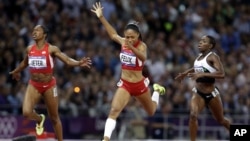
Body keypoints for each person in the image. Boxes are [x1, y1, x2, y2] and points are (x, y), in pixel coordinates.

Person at [91, 2, 166, 141]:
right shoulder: (123, 42)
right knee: (114, 111)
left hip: (139, 85)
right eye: (127, 36)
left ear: (138, 35)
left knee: (151, 111)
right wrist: (101, 17)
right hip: (125, 84)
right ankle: (106, 139)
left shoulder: (142, 46)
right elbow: (113, 34)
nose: (129, 39)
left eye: (132, 37)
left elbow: (143, 57)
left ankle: (156, 91)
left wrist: (132, 47)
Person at [9, 25, 92, 141]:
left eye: (37, 31)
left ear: (44, 35)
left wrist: (78, 63)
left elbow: (67, 60)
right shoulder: (29, 49)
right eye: (33, 31)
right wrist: (17, 71)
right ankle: (39, 119)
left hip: (49, 86)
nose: (34, 32)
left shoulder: (51, 49)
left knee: (54, 118)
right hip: (34, 85)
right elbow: (25, 62)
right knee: (26, 112)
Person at [175, 35, 231, 141]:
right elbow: (197, 68)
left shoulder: (213, 56)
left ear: (210, 46)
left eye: (204, 41)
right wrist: (185, 73)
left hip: (212, 94)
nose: (200, 43)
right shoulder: (198, 58)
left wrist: (202, 75)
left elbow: (221, 74)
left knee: (221, 120)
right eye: (200, 41)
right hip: (198, 93)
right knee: (193, 115)